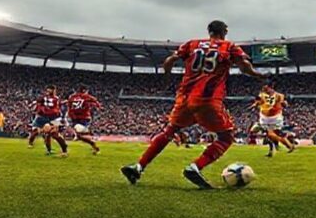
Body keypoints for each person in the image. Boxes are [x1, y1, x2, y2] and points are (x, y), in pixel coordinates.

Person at [121, 20, 267, 189]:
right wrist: (258, 75)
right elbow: (244, 66)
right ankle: (195, 167)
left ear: (209, 31)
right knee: (226, 137)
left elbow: (169, 61)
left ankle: (138, 167)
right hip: (208, 99)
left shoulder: (192, 44)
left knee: (169, 131)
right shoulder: (229, 46)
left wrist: (167, 75)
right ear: (224, 32)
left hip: (184, 98)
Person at [251, 85, 294, 157]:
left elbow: (284, 104)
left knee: (271, 135)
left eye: (266, 89)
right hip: (264, 118)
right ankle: (280, 144)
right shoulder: (262, 95)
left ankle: (287, 145)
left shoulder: (279, 96)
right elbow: (258, 102)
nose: (265, 90)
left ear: (271, 88)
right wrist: (254, 105)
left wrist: (284, 104)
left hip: (274, 118)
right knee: (260, 133)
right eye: (264, 89)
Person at [28, 85, 68, 157]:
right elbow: (37, 102)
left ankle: (64, 150)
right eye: (49, 90)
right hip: (44, 117)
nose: (50, 91)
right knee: (45, 133)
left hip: (54, 118)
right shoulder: (44, 98)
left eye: (51, 90)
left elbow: (56, 107)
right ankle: (49, 150)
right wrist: (33, 105)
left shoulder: (55, 99)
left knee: (54, 134)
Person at [66, 85, 101, 155]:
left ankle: (92, 141)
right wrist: (98, 106)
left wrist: (70, 115)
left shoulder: (72, 97)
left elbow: (69, 106)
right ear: (84, 90)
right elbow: (95, 100)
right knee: (80, 135)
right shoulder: (86, 96)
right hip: (84, 117)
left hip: (75, 117)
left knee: (79, 134)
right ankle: (93, 143)